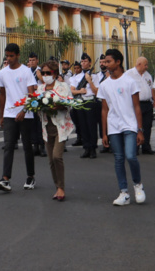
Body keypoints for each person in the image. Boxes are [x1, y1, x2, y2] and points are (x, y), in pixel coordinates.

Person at [99, 48, 146, 206]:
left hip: (130, 125)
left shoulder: (130, 81)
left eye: (108, 61)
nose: (105, 64)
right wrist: (104, 133)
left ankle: (138, 185)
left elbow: (137, 107)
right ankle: (124, 192)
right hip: (114, 126)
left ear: (118, 62)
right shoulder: (104, 85)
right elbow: (104, 110)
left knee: (131, 156)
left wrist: (140, 129)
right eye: (105, 61)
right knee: (118, 159)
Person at [0, 43, 38, 192]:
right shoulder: (2, 73)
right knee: (8, 146)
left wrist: (24, 111)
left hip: (25, 115)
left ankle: (30, 177)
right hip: (9, 114)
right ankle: (5, 179)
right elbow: (2, 94)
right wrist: (1, 115)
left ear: (18, 55)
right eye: (7, 56)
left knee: (27, 147)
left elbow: (32, 94)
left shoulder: (26, 72)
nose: (9, 58)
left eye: (11, 56)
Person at [38, 60, 74, 201]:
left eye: (48, 72)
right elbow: (35, 105)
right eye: (43, 73)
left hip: (61, 126)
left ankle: (61, 188)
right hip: (47, 126)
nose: (46, 75)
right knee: (51, 160)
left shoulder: (63, 86)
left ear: (54, 73)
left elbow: (69, 103)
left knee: (56, 156)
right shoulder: (40, 89)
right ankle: (57, 187)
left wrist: (57, 106)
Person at [70, 53, 101, 158]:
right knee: (83, 126)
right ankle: (86, 147)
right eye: (82, 61)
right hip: (80, 102)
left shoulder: (95, 76)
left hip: (90, 102)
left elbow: (96, 92)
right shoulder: (76, 77)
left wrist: (89, 81)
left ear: (90, 63)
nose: (83, 63)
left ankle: (93, 148)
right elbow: (72, 91)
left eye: (85, 61)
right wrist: (80, 91)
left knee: (91, 126)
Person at [126, 56, 155, 154]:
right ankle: (135, 148)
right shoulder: (129, 74)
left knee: (148, 125)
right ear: (139, 65)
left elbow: (152, 88)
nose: (147, 67)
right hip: (135, 104)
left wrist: (154, 100)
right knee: (136, 126)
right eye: (145, 65)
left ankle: (146, 147)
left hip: (147, 103)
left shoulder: (148, 75)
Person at [26, 53, 47, 158]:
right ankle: (35, 146)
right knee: (32, 124)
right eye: (30, 60)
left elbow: (48, 83)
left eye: (33, 60)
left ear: (37, 60)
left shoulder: (41, 70)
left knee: (40, 124)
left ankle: (42, 146)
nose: (31, 62)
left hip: (40, 99)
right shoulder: (27, 71)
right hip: (31, 99)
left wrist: (40, 77)